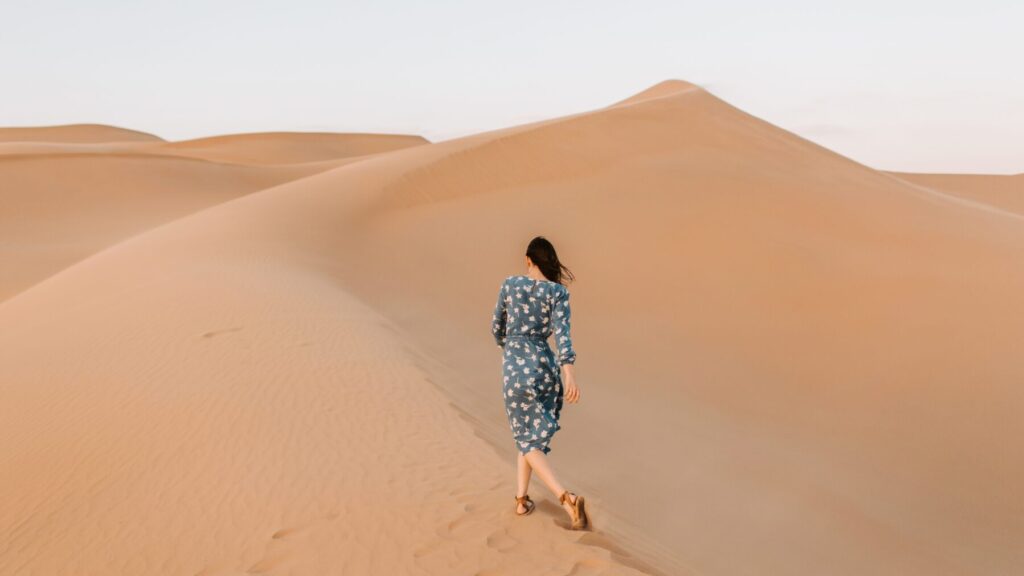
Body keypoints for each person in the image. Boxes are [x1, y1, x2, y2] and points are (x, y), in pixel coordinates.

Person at [490, 236, 587, 530]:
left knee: (525, 437)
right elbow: (563, 337)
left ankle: (565, 496)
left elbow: (497, 327)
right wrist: (569, 374)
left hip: (516, 368)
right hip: (546, 367)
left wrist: (507, 347)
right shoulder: (558, 293)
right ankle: (521, 500)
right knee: (528, 434)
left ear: (528, 260)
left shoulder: (510, 284)